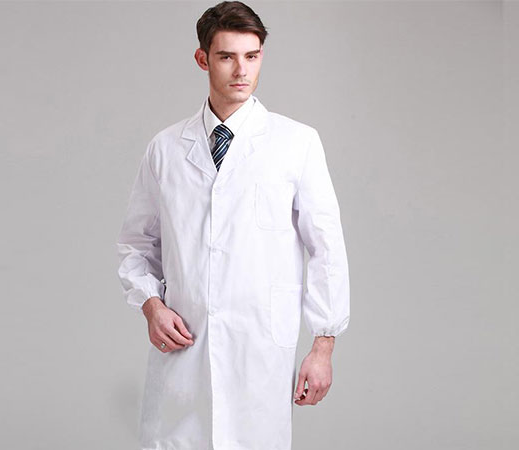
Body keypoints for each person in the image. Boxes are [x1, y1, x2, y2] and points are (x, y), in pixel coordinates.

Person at [115, 1, 350, 449]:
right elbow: (136, 244)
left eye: (252, 56)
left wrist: (323, 345)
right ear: (203, 59)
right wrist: (151, 305)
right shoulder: (165, 148)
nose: (241, 70)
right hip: (184, 350)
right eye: (226, 56)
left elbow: (327, 249)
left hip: (259, 350)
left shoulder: (296, 143)